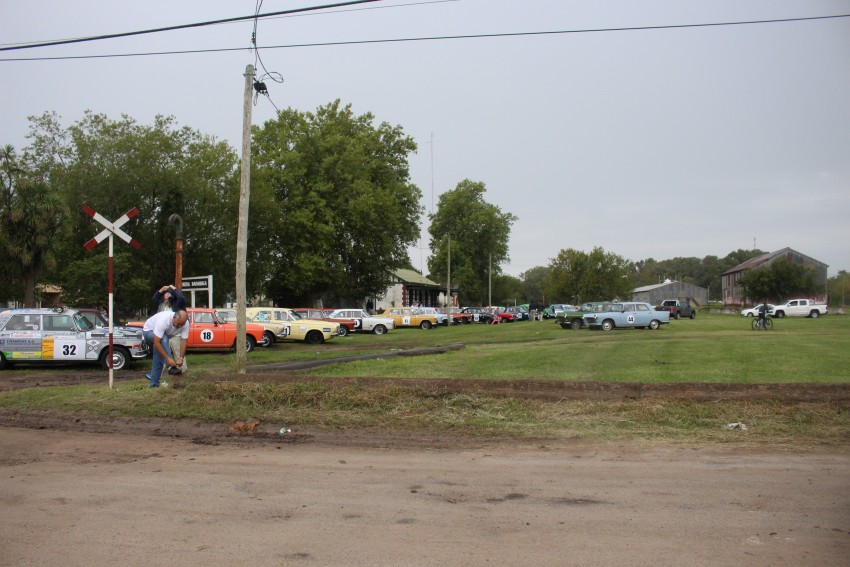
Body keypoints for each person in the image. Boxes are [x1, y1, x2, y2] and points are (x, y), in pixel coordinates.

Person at [142, 309, 189, 387]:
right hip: (148, 331)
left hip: (162, 337)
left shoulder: (186, 324)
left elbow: (183, 341)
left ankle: (154, 385)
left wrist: (181, 358)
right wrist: (168, 359)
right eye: (179, 324)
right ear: (174, 317)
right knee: (163, 338)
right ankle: (170, 367)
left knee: (158, 354)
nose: (180, 326)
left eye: (182, 325)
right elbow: (157, 342)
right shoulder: (163, 321)